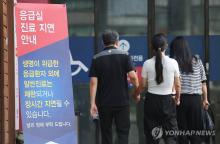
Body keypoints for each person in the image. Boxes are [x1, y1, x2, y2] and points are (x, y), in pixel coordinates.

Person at [89, 29, 140, 144]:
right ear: (117, 42)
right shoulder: (125, 55)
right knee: (123, 133)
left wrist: (92, 103)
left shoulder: (96, 58)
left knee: (106, 133)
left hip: (104, 103)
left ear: (103, 42)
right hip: (122, 102)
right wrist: (137, 92)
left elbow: (93, 82)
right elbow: (133, 76)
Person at [134, 33, 181, 144]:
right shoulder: (173, 63)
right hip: (168, 101)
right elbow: (178, 85)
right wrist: (177, 98)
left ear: (152, 47)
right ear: (166, 46)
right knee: (170, 134)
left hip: (151, 101)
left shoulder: (147, 63)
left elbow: (143, 85)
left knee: (152, 136)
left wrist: (135, 94)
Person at [170, 36, 209, 144]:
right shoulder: (197, 61)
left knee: (182, 131)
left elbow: (174, 83)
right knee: (196, 131)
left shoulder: (174, 62)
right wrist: (205, 100)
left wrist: (174, 98)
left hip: (180, 100)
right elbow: (203, 83)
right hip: (196, 100)